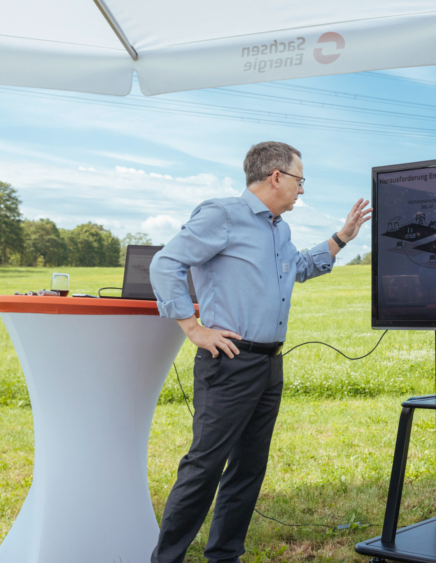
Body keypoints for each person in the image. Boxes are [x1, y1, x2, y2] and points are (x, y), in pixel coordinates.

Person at [148, 141, 371, 563]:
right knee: (204, 468)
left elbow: (299, 267)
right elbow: (165, 264)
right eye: (299, 180)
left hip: (269, 363)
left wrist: (341, 238)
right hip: (229, 363)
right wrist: (193, 329)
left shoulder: (277, 228)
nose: (301, 190)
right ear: (276, 177)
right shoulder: (223, 215)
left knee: (248, 469)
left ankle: (225, 555)